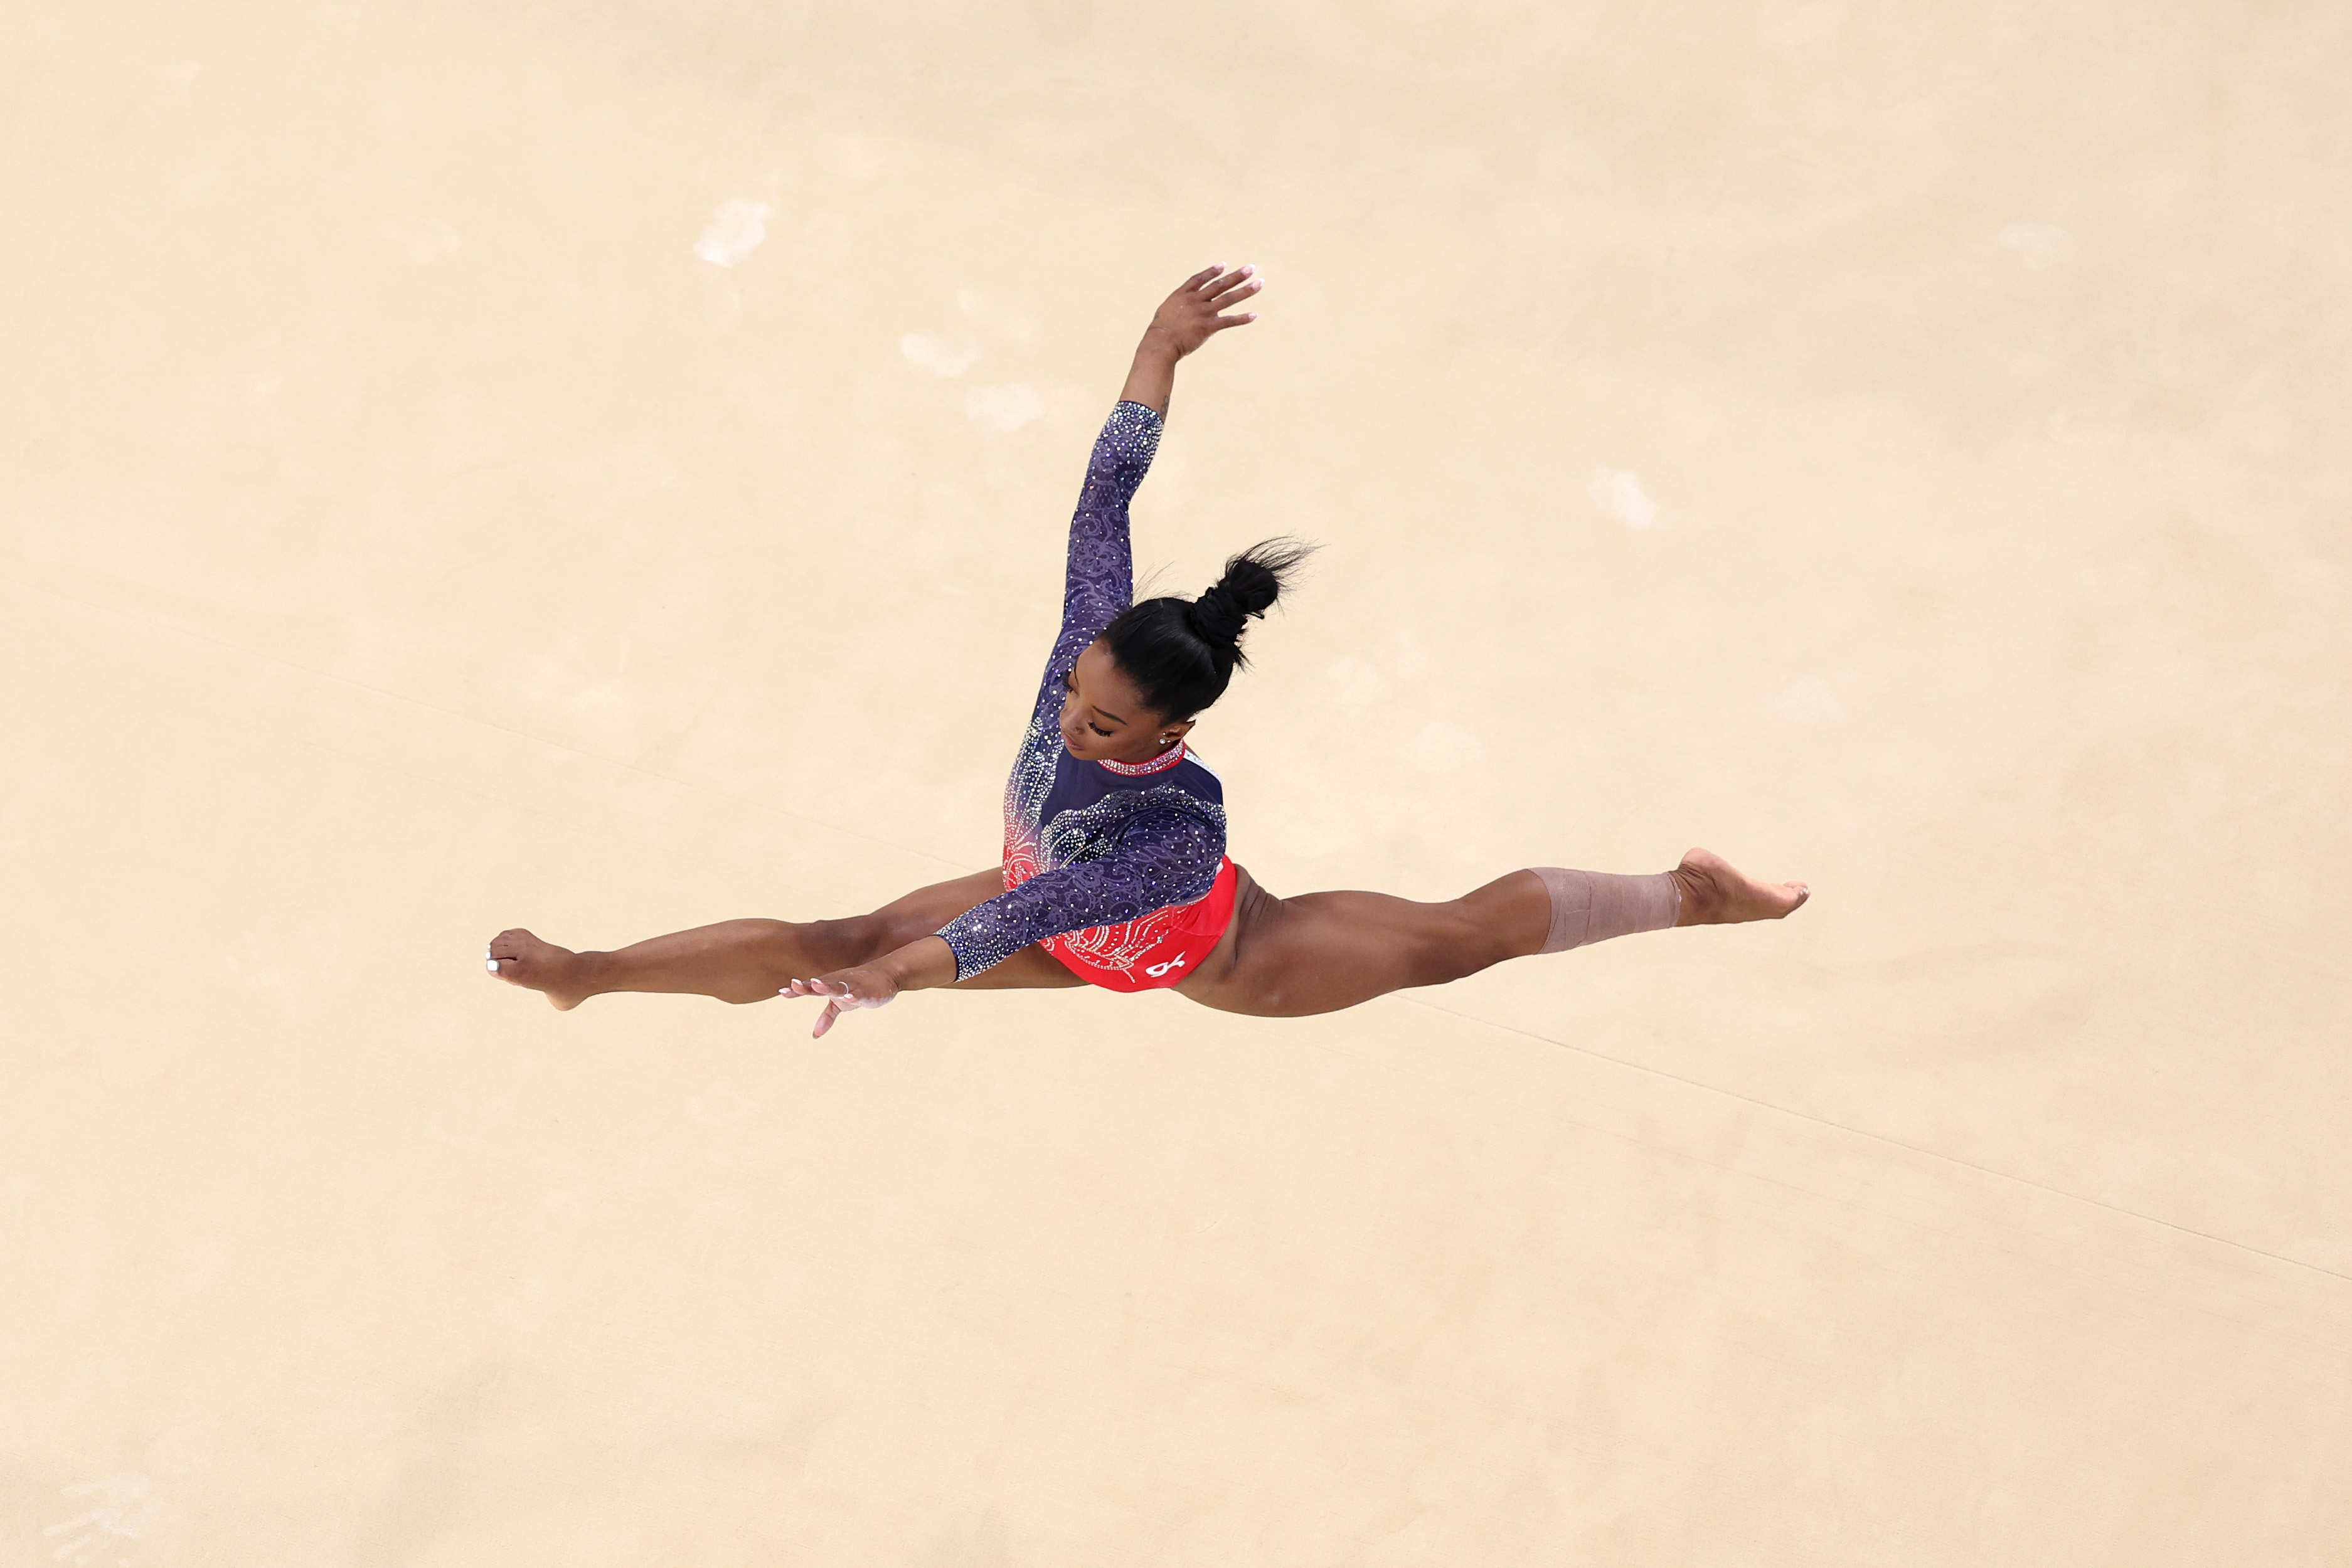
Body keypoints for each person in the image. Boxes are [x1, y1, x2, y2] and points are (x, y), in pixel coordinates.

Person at [487, 265, 1808, 1038]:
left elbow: (1030, 916)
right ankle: (590, 977)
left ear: (1170, 739)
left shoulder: (1176, 828)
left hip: (1212, 954)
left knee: (1463, 940)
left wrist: (893, 975)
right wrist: (1154, 348)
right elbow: (1105, 495)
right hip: (1037, 902)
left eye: (1106, 730)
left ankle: (1690, 897)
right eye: (1075, 700)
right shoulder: (1092, 638)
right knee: (826, 930)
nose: (1073, 727)